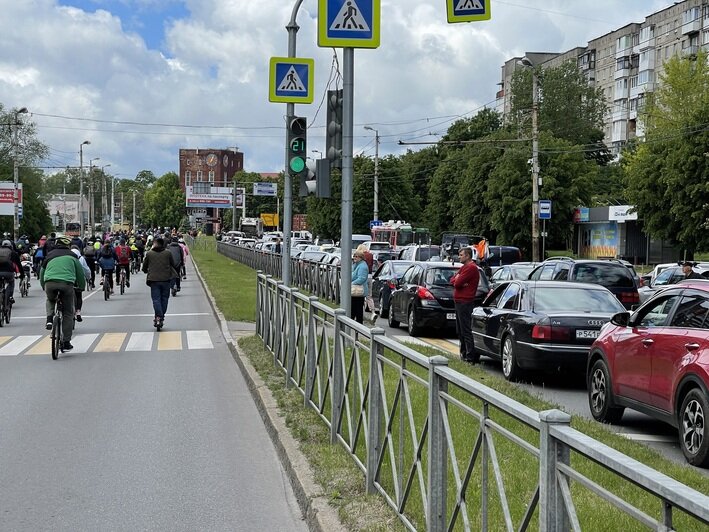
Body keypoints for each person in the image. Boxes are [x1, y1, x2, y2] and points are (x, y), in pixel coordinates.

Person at [40, 236, 86, 350]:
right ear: (68, 246)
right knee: (68, 313)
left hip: (49, 283)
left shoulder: (49, 256)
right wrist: (81, 287)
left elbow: (42, 272)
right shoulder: (73, 256)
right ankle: (66, 342)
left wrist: (43, 285)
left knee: (50, 299)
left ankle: (49, 319)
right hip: (66, 284)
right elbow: (80, 274)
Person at [451, 247, 480, 363]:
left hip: (465, 302)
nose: (459, 257)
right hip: (459, 301)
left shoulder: (471, 268)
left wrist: (458, 280)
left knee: (465, 330)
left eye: (461, 255)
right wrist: (458, 279)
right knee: (460, 330)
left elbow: (457, 283)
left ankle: (469, 356)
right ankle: (463, 355)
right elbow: (452, 280)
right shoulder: (464, 267)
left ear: (467, 256)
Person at [142, 236, 178, 328]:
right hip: (166, 279)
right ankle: (160, 317)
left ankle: (158, 316)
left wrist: (146, 270)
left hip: (154, 280)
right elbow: (172, 264)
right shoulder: (168, 253)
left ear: (155, 244)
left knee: (156, 299)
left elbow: (144, 266)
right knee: (164, 299)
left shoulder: (149, 253)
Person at [71, 245, 92, 322]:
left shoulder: (67, 257)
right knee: (79, 295)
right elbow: (86, 269)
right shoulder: (81, 258)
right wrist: (88, 277)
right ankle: (78, 312)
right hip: (78, 280)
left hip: (68, 279)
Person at [0, 240, 23, 308]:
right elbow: (19, 265)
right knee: (11, 283)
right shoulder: (13, 253)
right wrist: (22, 274)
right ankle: (10, 297)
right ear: (11, 246)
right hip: (9, 273)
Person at [351, 249, 369, 324]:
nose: (354, 258)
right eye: (354, 256)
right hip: (355, 291)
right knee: (353, 308)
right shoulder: (356, 264)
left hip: (358, 291)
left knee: (357, 309)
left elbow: (361, 278)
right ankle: (351, 322)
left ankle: (358, 324)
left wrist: (351, 283)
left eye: (356, 256)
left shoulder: (362, 266)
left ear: (361, 257)